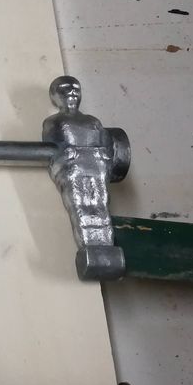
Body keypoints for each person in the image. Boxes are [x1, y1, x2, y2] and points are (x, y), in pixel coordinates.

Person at [42, 75, 125, 280]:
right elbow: (53, 153)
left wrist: (102, 158)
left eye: (75, 89)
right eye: (64, 90)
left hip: (96, 168)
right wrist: (66, 159)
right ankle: (92, 253)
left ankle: (106, 251)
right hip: (73, 169)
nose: (71, 93)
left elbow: (106, 146)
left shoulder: (93, 122)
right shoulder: (53, 122)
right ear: (55, 97)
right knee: (80, 206)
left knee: (100, 206)